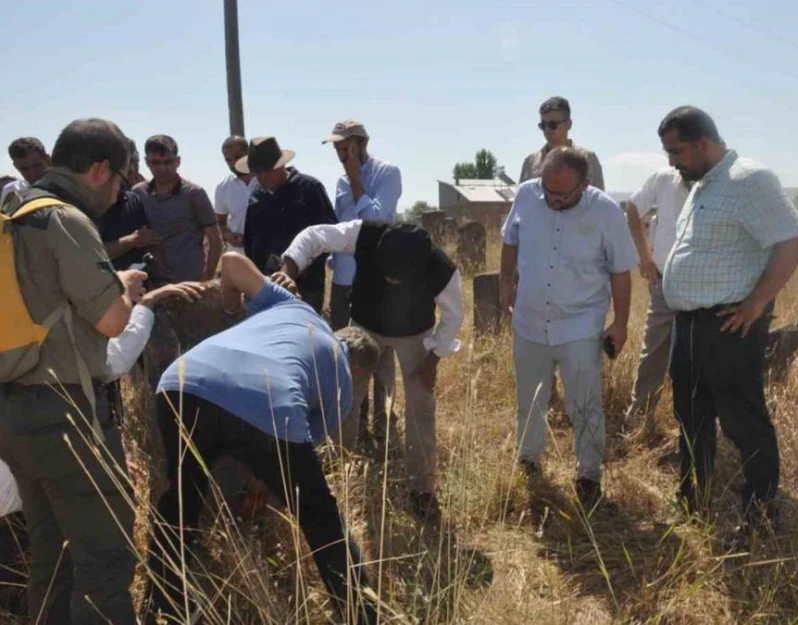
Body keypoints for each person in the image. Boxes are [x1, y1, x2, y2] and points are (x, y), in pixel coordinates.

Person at [144, 252, 381, 625]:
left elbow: (231, 262)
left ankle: (161, 603)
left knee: (182, 498)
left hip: (182, 381)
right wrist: (263, 480)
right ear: (360, 368)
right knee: (321, 518)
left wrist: (229, 309)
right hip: (270, 399)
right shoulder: (344, 380)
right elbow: (297, 452)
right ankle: (362, 614)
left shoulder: (295, 307)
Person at [0, 118, 146, 625]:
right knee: (104, 557)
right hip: (65, 416)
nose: (120, 192)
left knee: (53, 556)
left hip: (13, 412)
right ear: (100, 169)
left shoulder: (12, 212)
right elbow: (109, 319)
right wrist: (127, 285)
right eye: (123, 180)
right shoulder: (65, 219)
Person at [658, 106, 798, 524]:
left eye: (677, 150)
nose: (671, 161)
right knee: (691, 419)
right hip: (687, 326)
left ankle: (759, 512)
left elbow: (793, 237)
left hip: (727, 325)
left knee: (742, 423)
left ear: (704, 143)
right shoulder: (703, 183)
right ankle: (692, 502)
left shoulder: (748, 178)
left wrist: (758, 303)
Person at [280, 221, 462, 519]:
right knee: (344, 398)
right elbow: (315, 235)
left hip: (416, 334)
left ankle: (422, 489)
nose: (390, 280)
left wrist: (433, 359)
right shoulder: (364, 233)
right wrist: (288, 269)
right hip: (365, 326)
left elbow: (454, 316)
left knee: (421, 407)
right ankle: (335, 472)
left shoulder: (441, 267)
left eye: (397, 278)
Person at [499, 146, 637, 508]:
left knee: (584, 403)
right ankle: (529, 460)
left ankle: (588, 474)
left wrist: (620, 323)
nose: (552, 200)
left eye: (562, 194)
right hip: (529, 321)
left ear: (585, 184)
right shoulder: (528, 195)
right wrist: (504, 285)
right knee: (529, 400)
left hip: (580, 325)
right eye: (547, 190)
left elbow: (621, 272)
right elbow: (509, 240)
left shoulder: (606, 211)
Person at [623, 166, 691, 429]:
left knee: (700, 356)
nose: (675, 160)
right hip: (664, 279)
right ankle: (639, 419)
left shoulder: (717, 180)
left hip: (708, 285)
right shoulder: (664, 178)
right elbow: (633, 208)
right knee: (653, 350)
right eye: (670, 153)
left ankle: (694, 426)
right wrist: (645, 257)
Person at [240, 136, 336, 314]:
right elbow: (250, 242)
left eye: (266, 171)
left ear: (281, 165)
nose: (261, 177)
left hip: (306, 288)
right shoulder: (256, 196)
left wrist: (300, 268)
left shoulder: (309, 188)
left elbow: (327, 235)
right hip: (264, 286)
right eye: (257, 172)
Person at [322, 119, 403, 331]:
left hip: (371, 279)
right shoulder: (342, 181)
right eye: (337, 150)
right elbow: (340, 222)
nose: (341, 156)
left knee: (372, 350)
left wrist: (356, 179)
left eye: (346, 148)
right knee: (341, 345)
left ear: (363, 143)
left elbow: (374, 222)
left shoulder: (387, 174)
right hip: (342, 279)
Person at [133, 134, 221, 283]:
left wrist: (206, 279)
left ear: (178, 161)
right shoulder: (138, 194)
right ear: (147, 162)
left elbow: (215, 240)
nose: (162, 168)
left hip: (190, 283)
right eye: (156, 162)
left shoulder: (194, 194)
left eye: (168, 162)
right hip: (152, 285)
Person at [100, 138, 160, 271]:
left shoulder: (134, 199)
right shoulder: (91, 204)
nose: (132, 170)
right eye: (128, 163)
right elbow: (91, 254)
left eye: (135, 162)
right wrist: (132, 241)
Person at [520, 96, 605, 190]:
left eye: (552, 125)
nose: (547, 130)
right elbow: (522, 201)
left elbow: (600, 200)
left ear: (569, 124)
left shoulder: (588, 159)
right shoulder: (530, 162)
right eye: (543, 125)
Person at [214, 135, 256, 255]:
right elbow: (219, 222)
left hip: (267, 255)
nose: (233, 163)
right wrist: (228, 236)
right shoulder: (223, 187)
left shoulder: (266, 180)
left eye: (238, 157)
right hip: (238, 256)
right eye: (228, 160)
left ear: (249, 153)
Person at [0, 137, 51, 204]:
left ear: (48, 160)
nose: (33, 173)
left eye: (37, 166)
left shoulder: (64, 185)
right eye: (24, 169)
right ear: (16, 166)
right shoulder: (11, 191)